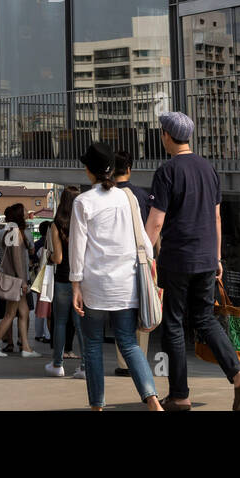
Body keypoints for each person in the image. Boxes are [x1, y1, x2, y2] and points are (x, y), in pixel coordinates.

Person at [145, 111, 240, 411]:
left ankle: (179, 395)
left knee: (174, 325)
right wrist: (217, 256)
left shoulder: (167, 171)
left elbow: (155, 223)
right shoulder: (209, 169)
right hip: (206, 258)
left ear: (167, 136)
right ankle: (239, 375)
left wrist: (141, 255)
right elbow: (217, 217)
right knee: (205, 319)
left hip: (178, 258)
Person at [70, 142, 162, 411]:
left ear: (89, 171)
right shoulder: (128, 198)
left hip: (95, 286)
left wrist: (76, 284)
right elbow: (143, 240)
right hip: (126, 284)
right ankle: (153, 400)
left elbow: (77, 247)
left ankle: (97, 406)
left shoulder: (83, 201)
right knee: (129, 343)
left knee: (93, 346)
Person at [112, 151, 153, 376]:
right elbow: (150, 229)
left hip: (116, 261)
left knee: (122, 311)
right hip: (141, 258)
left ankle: (124, 363)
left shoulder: (105, 196)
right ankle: (141, 358)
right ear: (130, 168)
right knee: (143, 307)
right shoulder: (141, 195)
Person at [0, 203, 38, 358]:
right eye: (24, 211)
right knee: (10, 314)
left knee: (23, 312)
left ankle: (26, 348)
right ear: (18, 215)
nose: (27, 212)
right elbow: (17, 260)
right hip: (16, 280)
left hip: (13, 278)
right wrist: (22, 281)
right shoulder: (16, 232)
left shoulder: (9, 232)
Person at [46, 186, 85, 379]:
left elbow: (59, 258)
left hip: (63, 278)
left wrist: (49, 256)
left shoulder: (57, 224)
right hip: (82, 279)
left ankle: (57, 364)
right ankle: (85, 367)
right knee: (81, 325)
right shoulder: (85, 221)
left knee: (60, 322)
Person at [32, 221, 52, 342]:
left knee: (39, 307)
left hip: (38, 278)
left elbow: (32, 260)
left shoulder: (37, 244)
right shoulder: (50, 245)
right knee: (47, 308)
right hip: (48, 278)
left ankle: (38, 333)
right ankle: (47, 334)